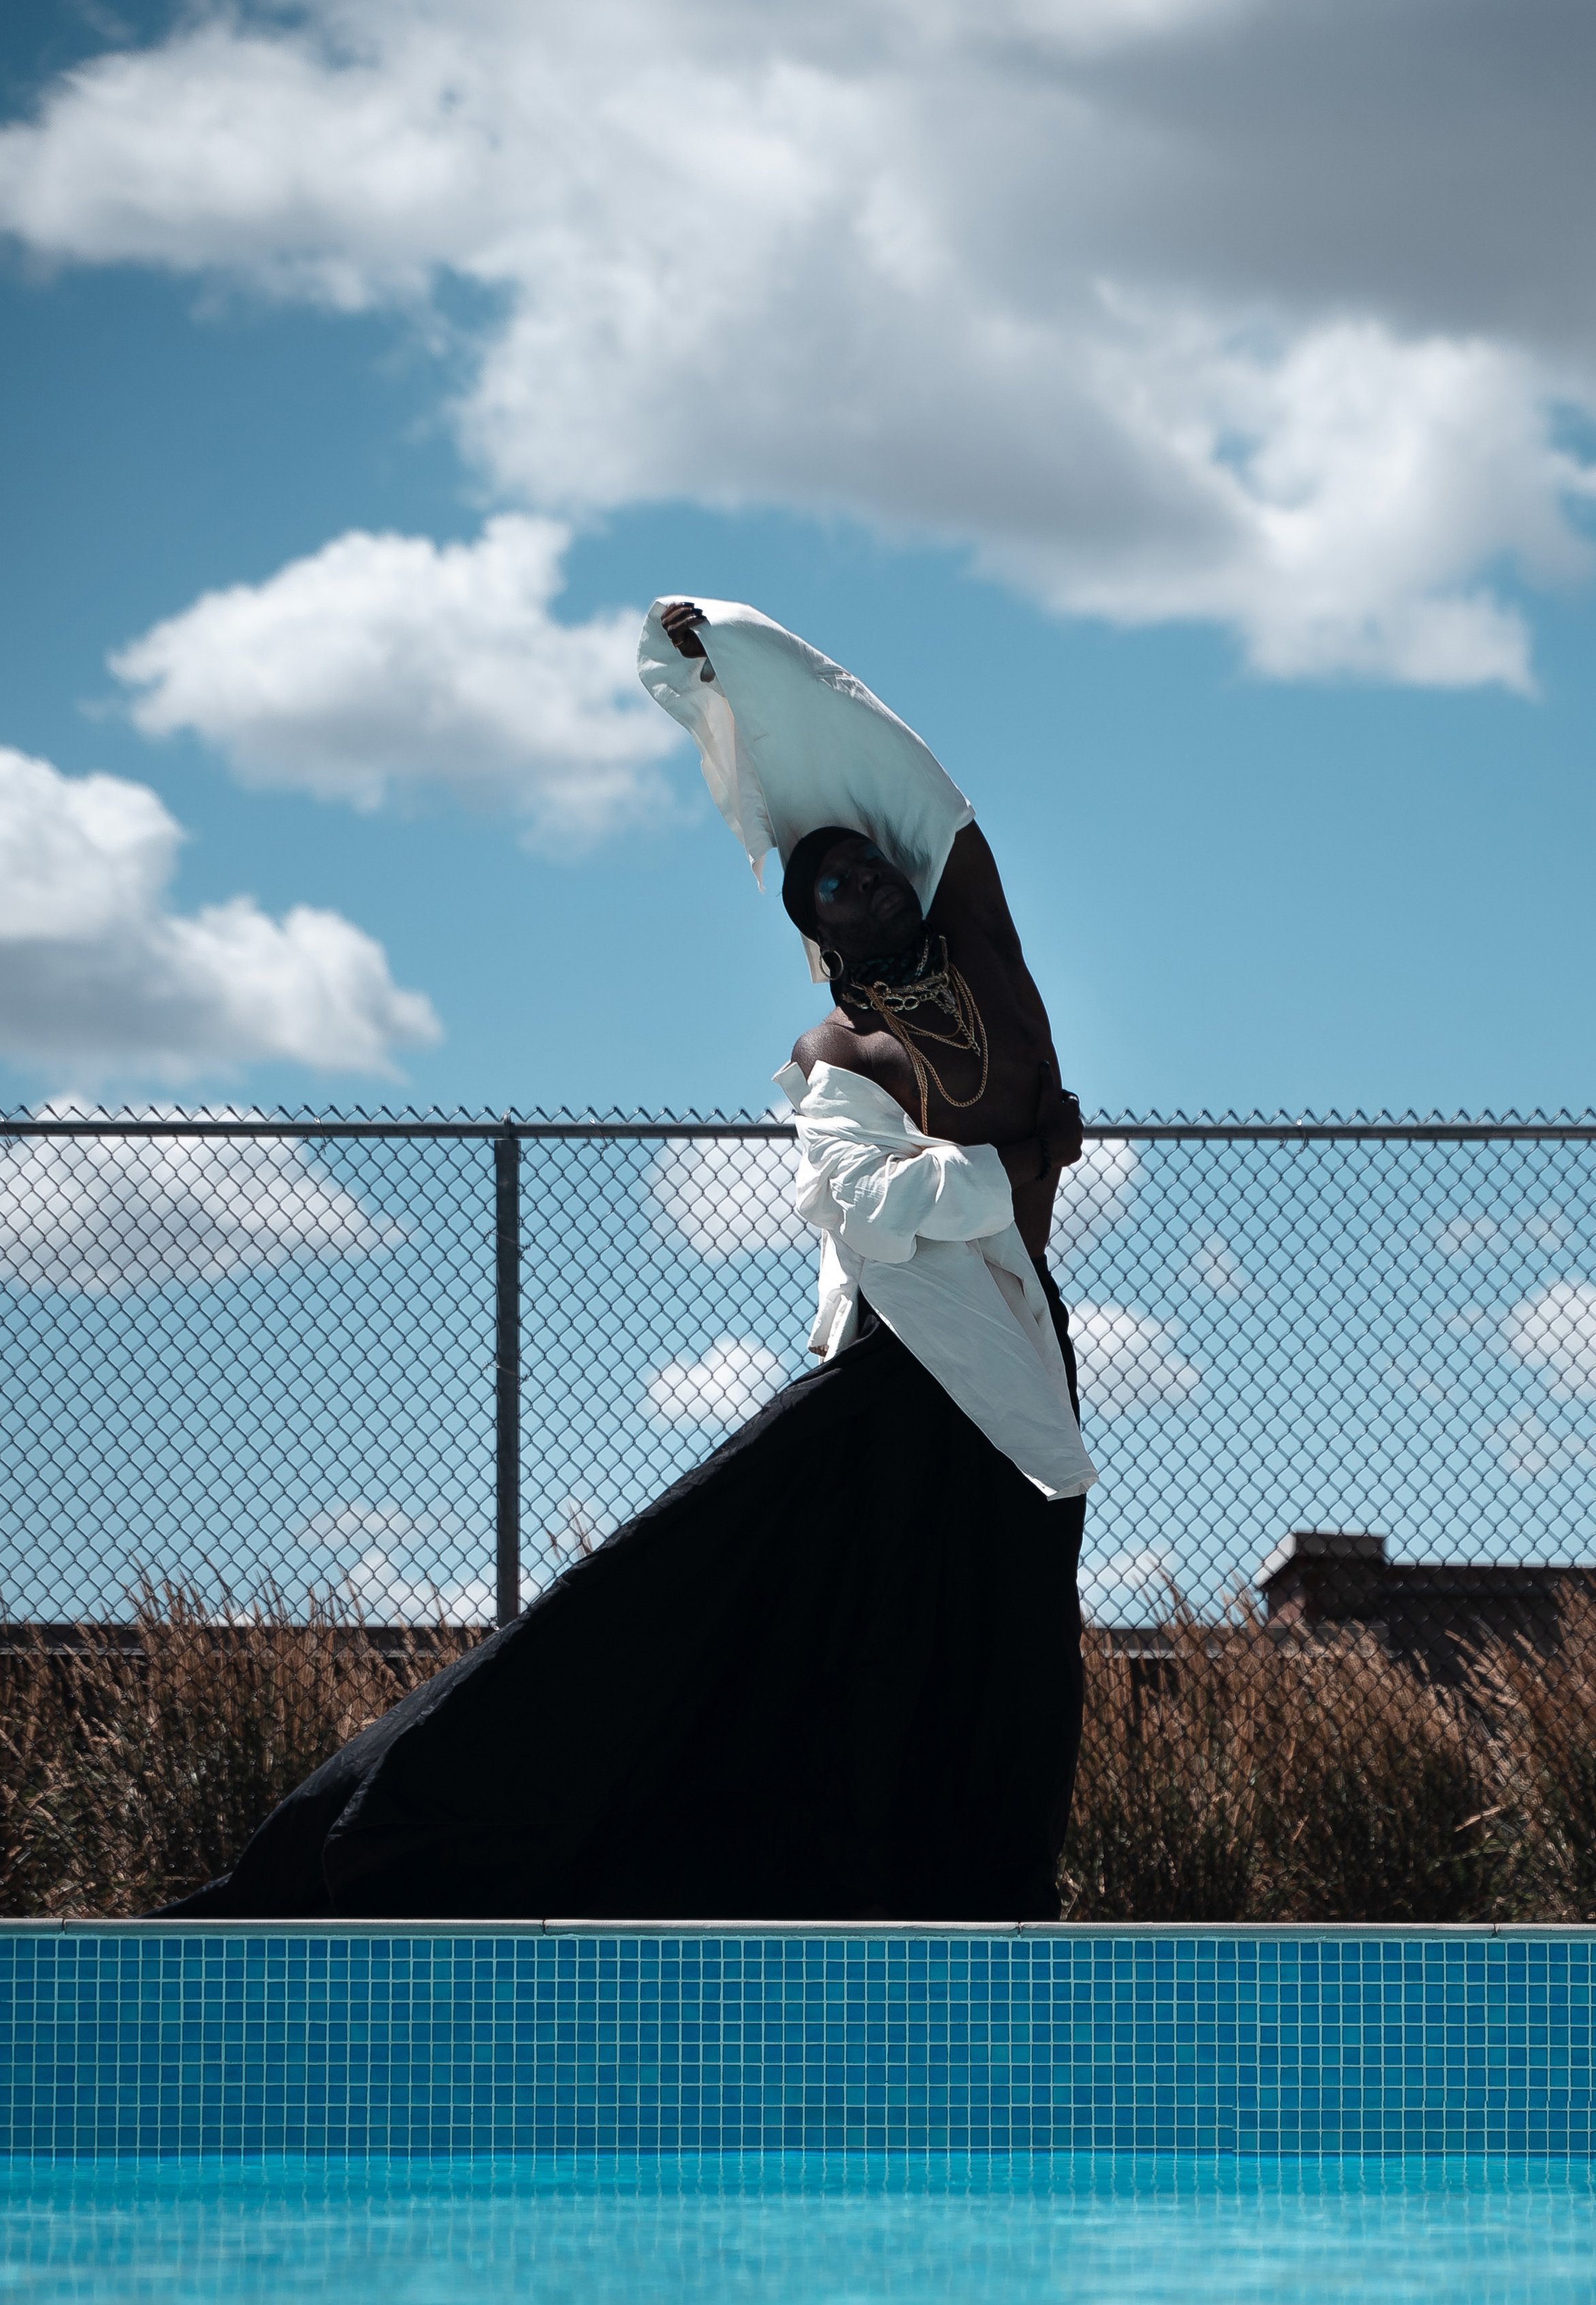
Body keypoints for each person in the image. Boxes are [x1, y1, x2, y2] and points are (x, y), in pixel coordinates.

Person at [157, 598, 1094, 1922]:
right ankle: (373, 1836)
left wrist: (739, 658)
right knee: (680, 1604)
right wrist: (1016, 1164)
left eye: (872, 869)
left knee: (1001, 1642)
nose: (867, 883)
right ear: (815, 935)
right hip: (904, 1373)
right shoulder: (839, 1049)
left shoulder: (991, 973)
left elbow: (910, 784)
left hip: (1019, 1356)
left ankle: (979, 1903)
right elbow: (864, 1208)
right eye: (831, 885)